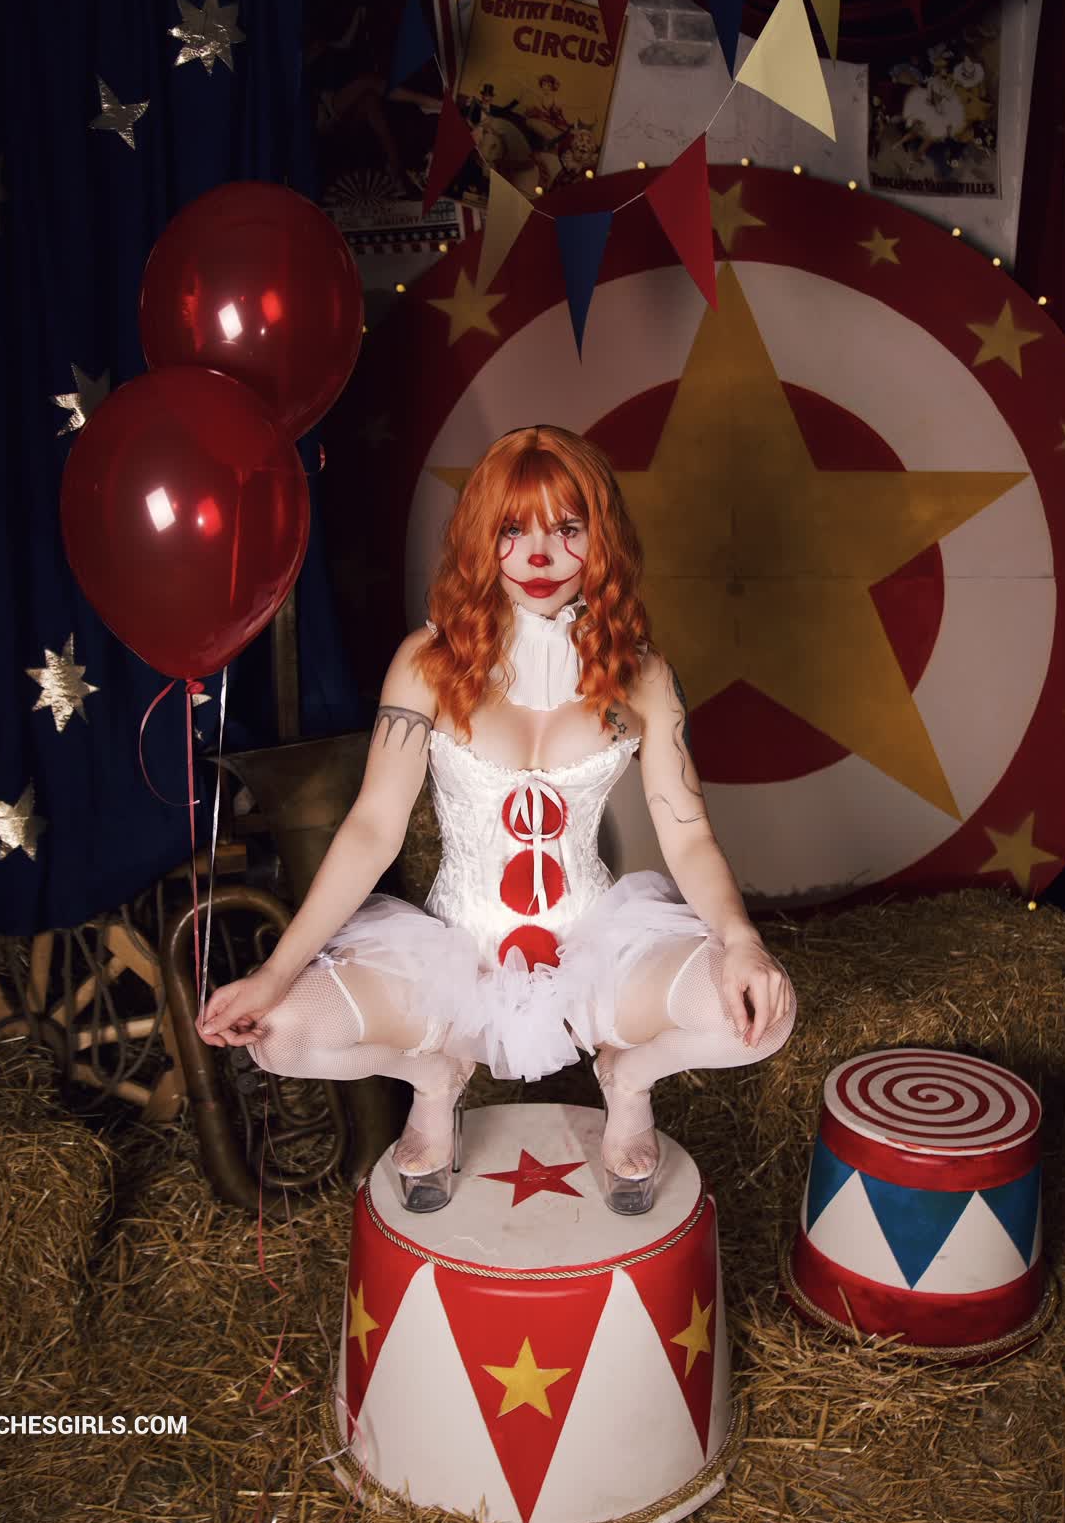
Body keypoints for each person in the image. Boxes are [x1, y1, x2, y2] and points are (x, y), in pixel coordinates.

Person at [197, 428, 796, 1215]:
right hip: (453, 957)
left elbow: (686, 833)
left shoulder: (643, 674)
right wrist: (276, 972)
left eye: (566, 528)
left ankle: (628, 1079)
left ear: (601, 539)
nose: (539, 556)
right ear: (483, 539)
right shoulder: (426, 662)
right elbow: (373, 827)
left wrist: (741, 942)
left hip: (598, 951)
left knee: (762, 1017)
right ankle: (432, 1076)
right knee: (280, 1034)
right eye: (513, 529)